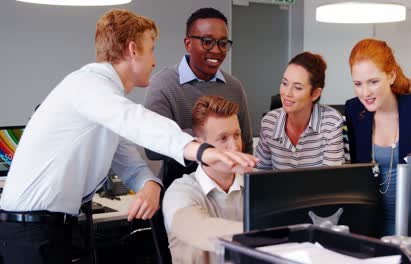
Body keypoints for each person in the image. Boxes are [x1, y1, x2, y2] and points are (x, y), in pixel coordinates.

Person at [0, 9, 256, 264]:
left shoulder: (104, 102)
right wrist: (202, 151)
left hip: (55, 230)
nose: (154, 61)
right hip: (29, 232)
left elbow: (125, 155)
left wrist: (149, 182)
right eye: (151, 49)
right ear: (133, 50)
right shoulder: (87, 86)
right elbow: (136, 121)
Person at [143, 7, 253, 184]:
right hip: (178, 191)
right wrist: (207, 139)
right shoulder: (163, 84)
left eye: (223, 43)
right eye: (207, 42)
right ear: (188, 44)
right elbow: (152, 148)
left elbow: (246, 146)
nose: (216, 50)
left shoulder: (234, 87)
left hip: (228, 193)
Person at [345, 38, 411, 235]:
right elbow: (357, 173)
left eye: (373, 82)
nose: (365, 92)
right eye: (358, 84)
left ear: (391, 76)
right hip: (369, 225)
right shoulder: (354, 110)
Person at [163, 96, 244, 264]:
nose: (234, 147)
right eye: (223, 138)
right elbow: (196, 228)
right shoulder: (179, 192)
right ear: (200, 146)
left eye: (236, 135)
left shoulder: (256, 183)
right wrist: (267, 235)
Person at [255, 52, 345, 170]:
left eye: (297, 87)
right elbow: (260, 174)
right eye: (285, 83)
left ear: (315, 93)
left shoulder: (331, 122)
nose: (287, 93)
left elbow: (332, 179)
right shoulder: (269, 122)